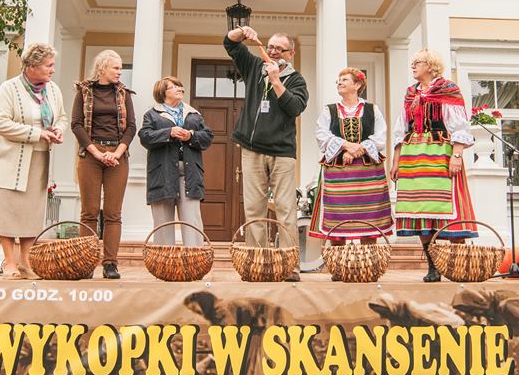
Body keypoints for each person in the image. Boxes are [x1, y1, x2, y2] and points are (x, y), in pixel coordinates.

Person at [224, 25, 308, 281]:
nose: (272, 51)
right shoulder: (253, 67)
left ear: (290, 53)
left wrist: (275, 81)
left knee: (285, 209)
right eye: (270, 47)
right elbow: (230, 44)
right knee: (254, 209)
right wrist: (241, 32)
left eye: (279, 49)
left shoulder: (296, 80)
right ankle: (257, 263)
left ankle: (289, 266)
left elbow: (295, 108)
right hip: (252, 150)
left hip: (282, 152)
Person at [390, 48, 477, 282]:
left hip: (440, 153)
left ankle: (459, 265)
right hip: (413, 158)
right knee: (420, 211)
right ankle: (432, 267)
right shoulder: (411, 93)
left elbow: (459, 126)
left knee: (449, 208)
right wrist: (396, 161)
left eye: (418, 62)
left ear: (430, 66)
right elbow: (401, 129)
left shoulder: (447, 89)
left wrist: (457, 155)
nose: (413, 66)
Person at [0, 43, 68, 280]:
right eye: (48, 65)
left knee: (31, 212)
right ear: (32, 66)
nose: (53, 69)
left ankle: (26, 262)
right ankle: (9, 262)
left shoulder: (52, 90)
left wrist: (58, 129)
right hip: (12, 158)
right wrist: (36, 133)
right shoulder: (9, 88)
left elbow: (62, 117)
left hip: (40, 158)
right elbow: (1, 123)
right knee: (8, 210)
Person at [71, 49, 136, 279]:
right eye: (116, 68)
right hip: (90, 154)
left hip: (117, 155)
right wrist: (97, 153)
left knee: (112, 213)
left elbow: (131, 127)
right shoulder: (83, 91)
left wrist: (116, 153)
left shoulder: (124, 93)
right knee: (89, 212)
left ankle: (110, 264)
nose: (119, 72)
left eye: (120, 68)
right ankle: (86, 262)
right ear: (102, 68)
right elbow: (76, 124)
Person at [310, 69, 393, 248]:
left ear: (357, 85)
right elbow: (321, 134)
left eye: (345, 80)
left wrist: (357, 150)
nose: (339, 82)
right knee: (337, 218)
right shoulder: (329, 110)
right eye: (338, 80)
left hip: (368, 174)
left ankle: (368, 259)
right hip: (338, 174)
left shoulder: (372, 109)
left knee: (369, 219)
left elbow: (380, 137)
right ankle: (338, 260)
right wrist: (346, 145)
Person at [138, 76, 214, 246]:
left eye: (180, 86)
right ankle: (165, 260)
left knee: (192, 222)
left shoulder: (193, 114)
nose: (179, 89)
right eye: (173, 87)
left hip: (190, 174)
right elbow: (145, 137)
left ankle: (194, 258)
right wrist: (169, 133)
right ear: (162, 92)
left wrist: (191, 136)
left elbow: (208, 137)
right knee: (163, 224)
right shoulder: (152, 114)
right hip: (162, 174)